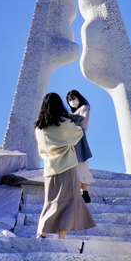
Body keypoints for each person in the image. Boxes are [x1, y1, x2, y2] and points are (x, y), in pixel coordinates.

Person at [34, 93, 96, 239]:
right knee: (71, 200)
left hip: (49, 168)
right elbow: (77, 134)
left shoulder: (39, 127)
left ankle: (42, 231)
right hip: (66, 166)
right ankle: (61, 237)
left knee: (50, 202)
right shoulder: (62, 122)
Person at [66, 89, 94, 203]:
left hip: (79, 138)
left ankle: (85, 192)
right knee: (73, 164)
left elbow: (82, 122)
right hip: (71, 139)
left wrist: (71, 119)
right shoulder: (74, 112)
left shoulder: (83, 108)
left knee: (82, 163)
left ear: (79, 98)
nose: (72, 101)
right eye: (70, 100)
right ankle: (79, 191)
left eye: (74, 99)